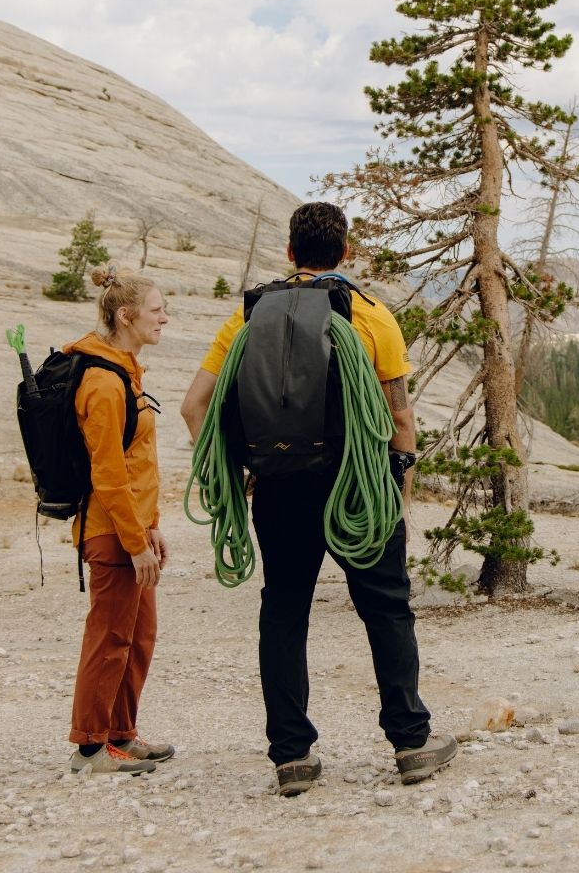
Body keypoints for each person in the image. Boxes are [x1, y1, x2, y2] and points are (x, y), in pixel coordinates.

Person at [180, 202, 456, 795]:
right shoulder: (371, 316)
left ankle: (292, 756)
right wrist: (400, 486)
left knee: (284, 609)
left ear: (289, 253)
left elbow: (193, 406)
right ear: (346, 253)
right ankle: (411, 742)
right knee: (385, 607)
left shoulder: (249, 316)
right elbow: (399, 415)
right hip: (358, 485)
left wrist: (237, 469)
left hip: (279, 486)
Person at [67, 264, 174, 776]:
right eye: (156, 311)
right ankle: (90, 747)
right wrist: (134, 542)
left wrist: (151, 525)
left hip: (132, 530)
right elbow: (107, 473)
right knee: (110, 637)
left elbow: (135, 466)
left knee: (139, 635)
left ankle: (121, 735)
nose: (165, 319)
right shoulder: (104, 383)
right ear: (126, 315)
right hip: (111, 534)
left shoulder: (125, 372)